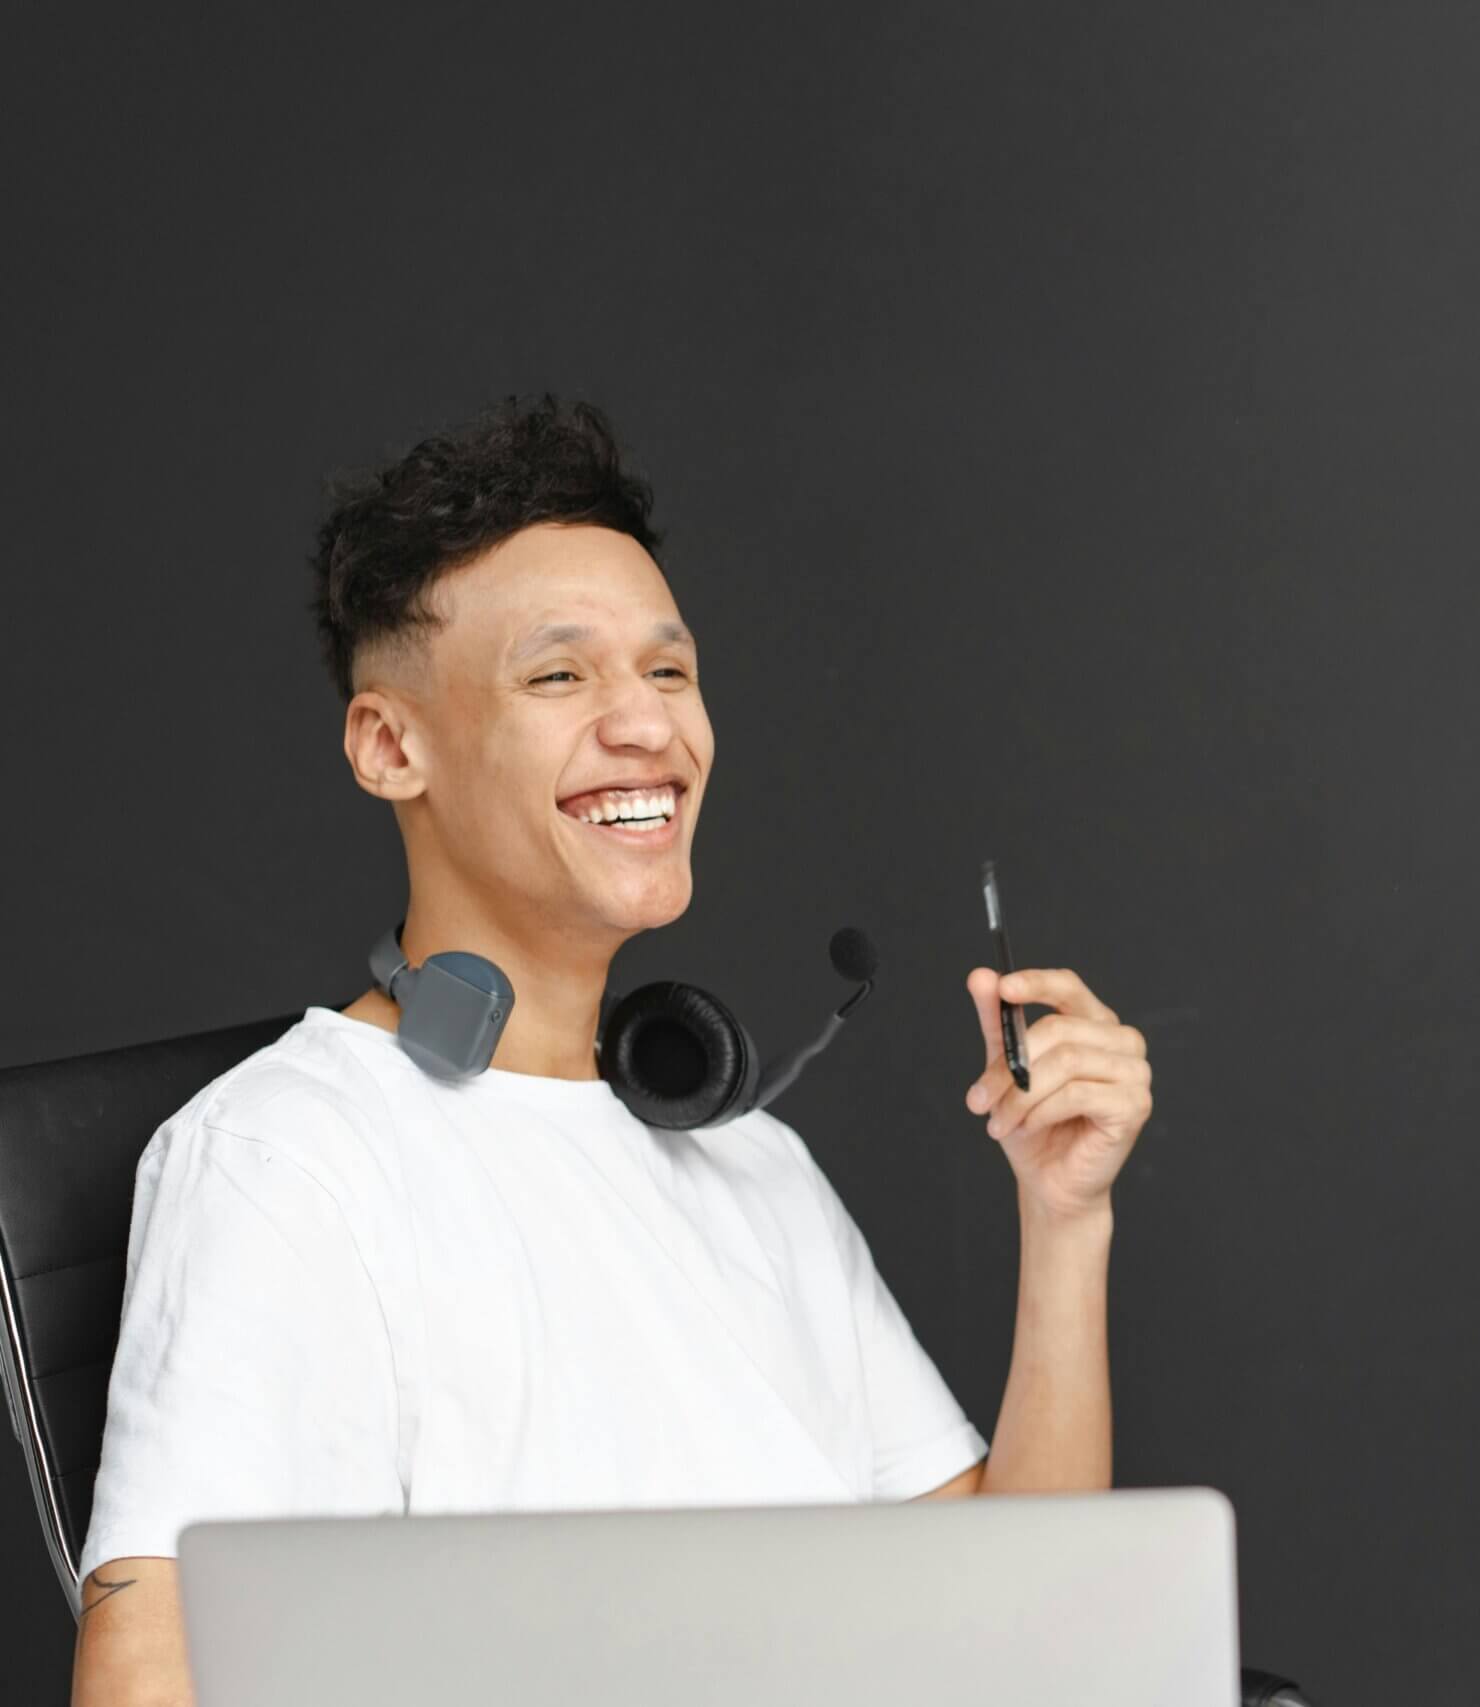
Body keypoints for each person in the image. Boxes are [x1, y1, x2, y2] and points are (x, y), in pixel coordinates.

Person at [69, 398, 1155, 1706]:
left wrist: (1066, 1216)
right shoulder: (284, 1162)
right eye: (559, 675)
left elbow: (1024, 1639)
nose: (647, 725)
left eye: (670, 670)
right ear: (389, 745)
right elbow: (153, 1674)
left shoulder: (756, 1169)